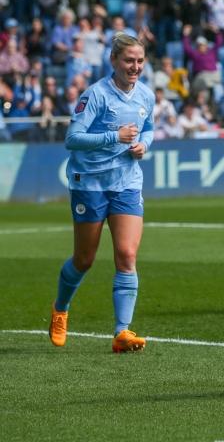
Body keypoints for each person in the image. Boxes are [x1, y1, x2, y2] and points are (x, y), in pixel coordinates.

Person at [48, 33, 155, 353]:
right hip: (90, 183)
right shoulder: (95, 95)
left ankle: (122, 333)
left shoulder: (146, 95)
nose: (135, 67)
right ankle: (60, 309)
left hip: (126, 182)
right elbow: (73, 138)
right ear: (113, 61)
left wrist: (143, 145)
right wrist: (115, 136)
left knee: (127, 255)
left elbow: (148, 127)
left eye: (139, 61)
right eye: (129, 61)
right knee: (84, 259)